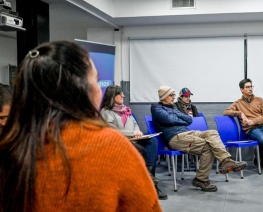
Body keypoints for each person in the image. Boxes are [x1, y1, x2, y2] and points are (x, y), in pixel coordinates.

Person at [0, 41, 162, 211]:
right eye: (96, 80)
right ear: (81, 89)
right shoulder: (111, 147)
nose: (100, 90)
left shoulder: (10, 146)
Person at [151, 85, 247, 192]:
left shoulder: (172, 107)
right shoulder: (156, 108)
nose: (174, 97)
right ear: (164, 96)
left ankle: (225, 160)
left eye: (173, 94)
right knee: (207, 146)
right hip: (175, 138)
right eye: (171, 95)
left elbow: (189, 120)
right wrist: (178, 118)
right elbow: (170, 120)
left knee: (212, 133)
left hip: (188, 133)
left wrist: (177, 118)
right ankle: (201, 180)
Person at [100, 84, 167, 200]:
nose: (123, 95)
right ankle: (150, 183)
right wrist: (132, 132)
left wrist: (137, 131)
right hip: (119, 143)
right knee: (143, 150)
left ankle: (150, 180)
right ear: (112, 96)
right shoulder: (106, 112)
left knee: (152, 142)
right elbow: (112, 131)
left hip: (133, 140)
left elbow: (135, 126)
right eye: (120, 93)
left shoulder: (126, 111)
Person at [223, 78, 263, 169]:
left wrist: (253, 121)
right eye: (247, 87)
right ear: (242, 89)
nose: (250, 89)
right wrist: (240, 113)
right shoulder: (238, 103)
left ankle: (259, 153)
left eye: (251, 86)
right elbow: (226, 112)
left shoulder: (260, 100)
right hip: (252, 129)